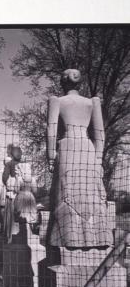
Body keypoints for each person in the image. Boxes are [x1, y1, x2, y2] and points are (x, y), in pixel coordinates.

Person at [47, 69, 112, 249]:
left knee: (68, 191)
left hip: (68, 148)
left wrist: (51, 155)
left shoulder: (57, 101)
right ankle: (98, 239)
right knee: (90, 193)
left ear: (62, 82)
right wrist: (98, 158)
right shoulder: (92, 102)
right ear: (79, 83)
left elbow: (51, 130)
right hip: (88, 149)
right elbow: (100, 134)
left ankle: (70, 239)